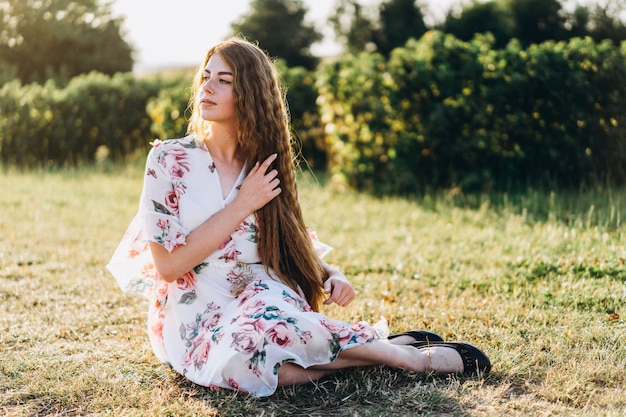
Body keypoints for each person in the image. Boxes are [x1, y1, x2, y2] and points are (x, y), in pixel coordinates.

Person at [106, 37, 491, 398]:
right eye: (206, 76)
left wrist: (331, 273)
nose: (207, 87)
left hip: (262, 293)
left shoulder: (264, 166)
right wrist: (241, 204)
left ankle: (401, 356)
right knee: (243, 362)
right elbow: (170, 266)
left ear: (250, 95)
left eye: (223, 80)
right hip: (195, 310)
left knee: (266, 333)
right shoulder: (169, 160)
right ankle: (389, 352)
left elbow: (287, 238)